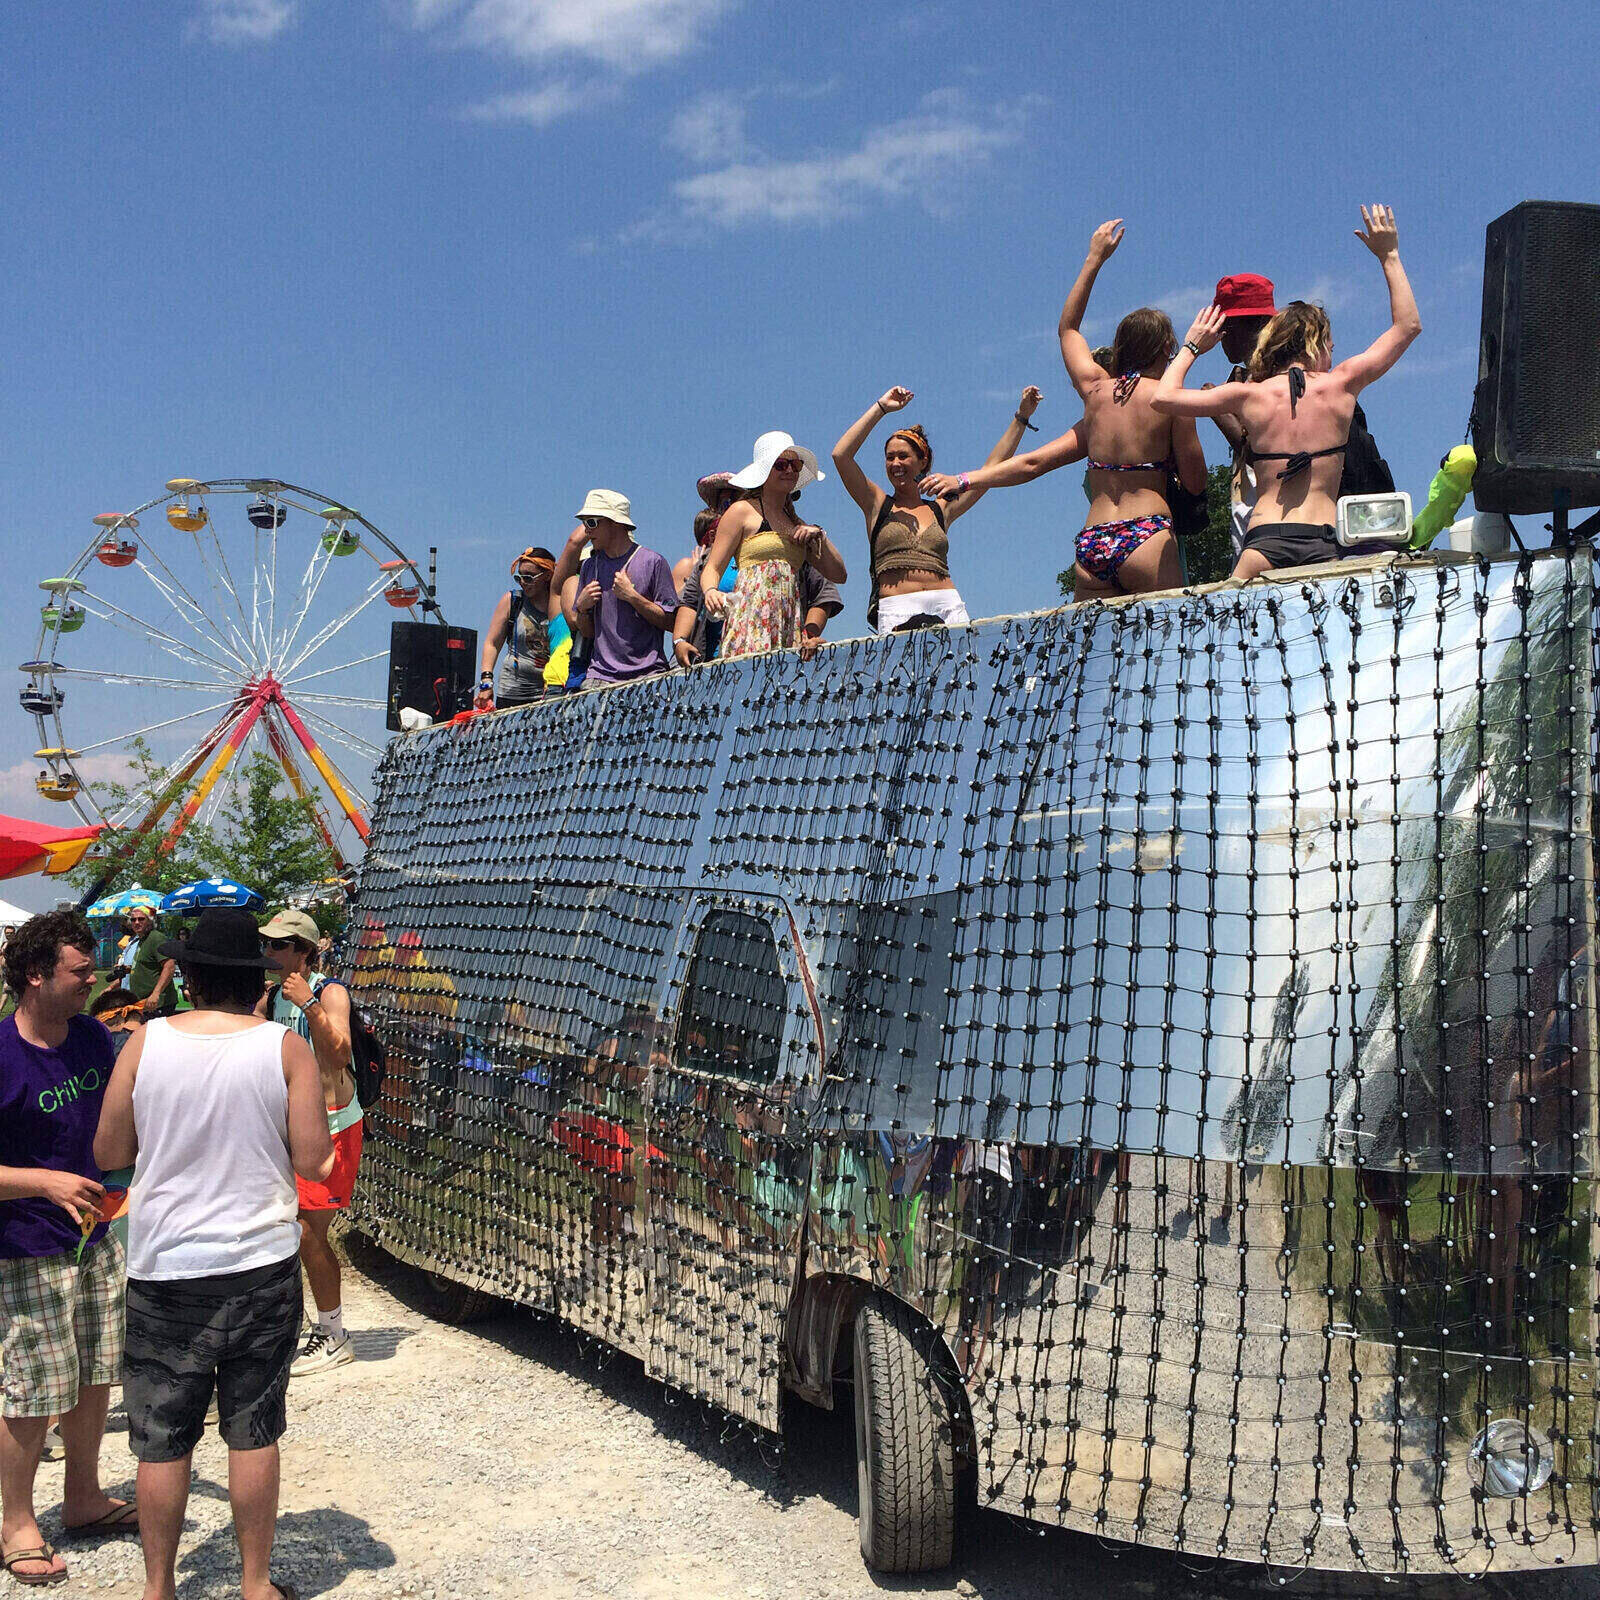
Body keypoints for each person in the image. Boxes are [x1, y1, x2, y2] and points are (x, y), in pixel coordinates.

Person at [94, 908, 333, 1600]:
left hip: (166, 1264)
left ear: (190, 978)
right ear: (254, 985)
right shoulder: (282, 1051)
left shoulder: (145, 1042)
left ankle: (158, 1588)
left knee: (163, 1438)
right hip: (259, 1262)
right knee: (252, 1429)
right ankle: (255, 1584)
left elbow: (110, 1153)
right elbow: (316, 1161)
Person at [1152, 205, 1421, 579]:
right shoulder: (1341, 385)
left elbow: (1162, 398)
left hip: (1261, 541)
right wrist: (1389, 255)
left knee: (1236, 632)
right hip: (1322, 539)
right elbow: (1407, 325)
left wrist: (1192, 346)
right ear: (1318, 343)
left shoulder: (1248, 395)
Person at [1, 911, 133, 1588]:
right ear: (35, 976)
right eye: (80, 971)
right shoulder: (0, 1055)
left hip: (97, 1237)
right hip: (26, 1248)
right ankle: (17, 1521)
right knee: (32, 1386)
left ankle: (82, 1496)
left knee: (94, 1370)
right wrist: (40, 1182)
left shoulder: (89, 1036)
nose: (94, 980)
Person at [1055, 220, 1207, 597]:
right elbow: (1196, 483)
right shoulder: (1170, 400)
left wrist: (1094, 258)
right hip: (1147, 533)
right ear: (1165, 349)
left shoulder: (1095, 390)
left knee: (1097, 654)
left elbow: (1068, 330)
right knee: (1165, 650)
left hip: (1093, 537)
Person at [831, 385, 1043, 630]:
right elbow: (841, 455)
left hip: (948, 607)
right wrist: (881, 408)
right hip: (896, 608)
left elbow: (991, 470)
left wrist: (1021, 417)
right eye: (890, 457)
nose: (895, 463)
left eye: (903, 456)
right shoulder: (877, 504)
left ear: (923, 461)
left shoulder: (941, 508)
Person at [256, 910, 362, 1378]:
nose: (269, 953)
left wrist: (309, 1005)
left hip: (333, 1124)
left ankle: (335, 1334)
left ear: (303, 950)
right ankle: (304, 1322)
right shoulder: (274, 994)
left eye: (279, 945)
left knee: (306, 1230)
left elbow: (339, 1054)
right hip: (293, 1125)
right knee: (286, 1227)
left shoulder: (328, 991)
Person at [700, 433, 848, 657]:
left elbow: (839, 574)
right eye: (780, 464)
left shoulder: (797, 524)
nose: (789, 470)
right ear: (765, 470)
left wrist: (820, 535)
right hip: (749, 619)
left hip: (787, 623)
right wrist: (711, 591)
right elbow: (712, 567)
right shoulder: (741, 511)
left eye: (794, 464)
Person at [548, 491, 681, 687]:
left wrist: (633, 597)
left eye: (591, 522)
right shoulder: (589, 567)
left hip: (649, 675)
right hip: (599, 677)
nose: (587, 531)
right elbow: (588, 633)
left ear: (615, 522)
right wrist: (583, 608)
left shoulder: (653, 562)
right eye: (584, 523)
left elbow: (670, 622)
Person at [475, 547, 557, 710]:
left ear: (547, 576)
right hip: (513, 692)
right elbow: (492, 643)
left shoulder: (560, 604)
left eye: (528, 577)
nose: (523, 583)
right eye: (519, 577)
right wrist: (486, 681)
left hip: (551, 691)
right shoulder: (513, 601)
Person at [119, 906, 178, 1017]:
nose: (136, 922)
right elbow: (148, 964)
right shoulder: (141, 939)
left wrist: (156, 993)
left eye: (141, 919)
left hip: (158, 1004)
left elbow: (169, 966)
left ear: (150, 921)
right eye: (133, 919)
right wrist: (129, 969)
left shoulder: (156, 938)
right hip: (143, 1004)